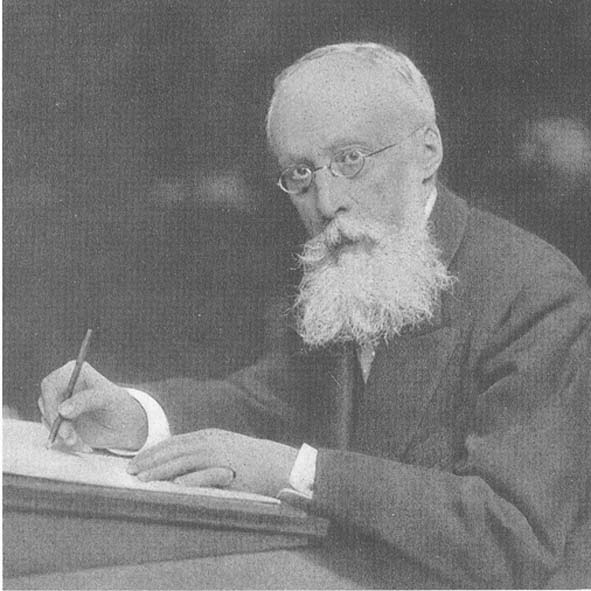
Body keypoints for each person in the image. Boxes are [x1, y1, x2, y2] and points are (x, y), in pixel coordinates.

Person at [38, 43, 591, 588]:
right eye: (301, 173)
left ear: (427, 152)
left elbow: (511, 537)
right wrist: (136, 416)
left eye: (350, 159)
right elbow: (267, 404)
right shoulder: (354, 262)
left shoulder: (535, 292)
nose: (326, 203)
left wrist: (297, 472)